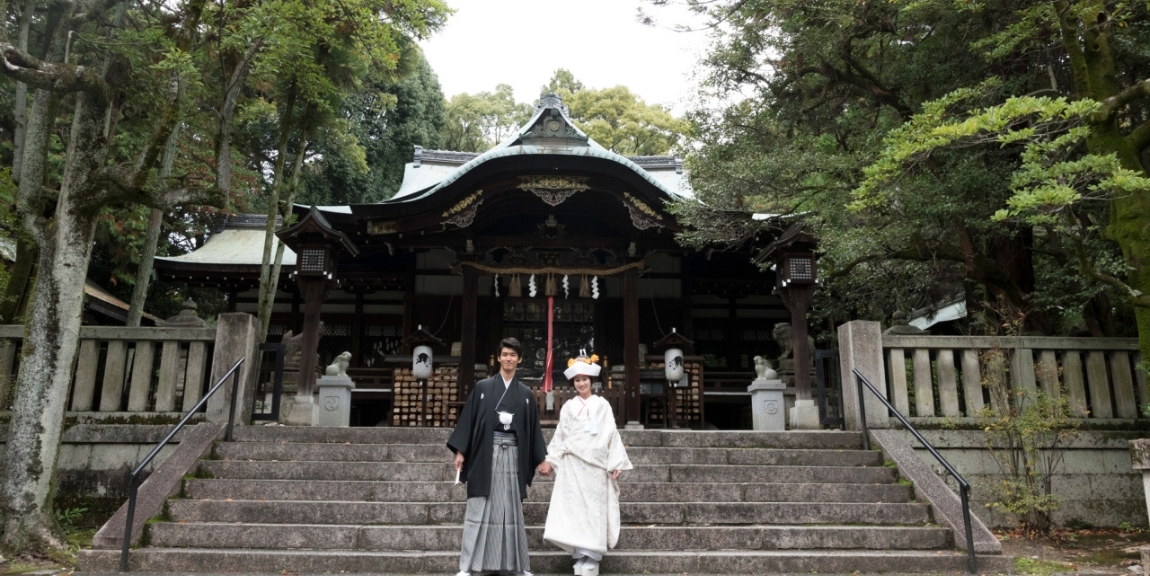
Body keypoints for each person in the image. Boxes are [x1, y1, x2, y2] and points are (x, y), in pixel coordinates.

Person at [448, 337, 550, 576]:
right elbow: (469, 421)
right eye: (505, 354)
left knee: (510, 507)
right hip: (486, 452)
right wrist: (461, 451)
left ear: (520, 359)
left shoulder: (525, 393)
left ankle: (515, 566)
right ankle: (467, 566)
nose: (508, 359)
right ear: (499, 357)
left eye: (513, 355)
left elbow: (533, 429)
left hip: (513, 454)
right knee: (479, 507)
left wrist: (542, 458)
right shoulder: (483, 388)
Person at [542, 353, 633, 576]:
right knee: (575, 511)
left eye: (585, 379)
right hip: (572, 463)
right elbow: (560, 435)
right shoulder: (568, 407)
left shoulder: (602, 405)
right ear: (573, 383)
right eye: (577, 380)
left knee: (593, 511)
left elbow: (612, 434)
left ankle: (592, 557)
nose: (581, 383)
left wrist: (616, 462)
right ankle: (579, 556)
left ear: (592, 382)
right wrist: (550, 460)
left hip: (595, 466)